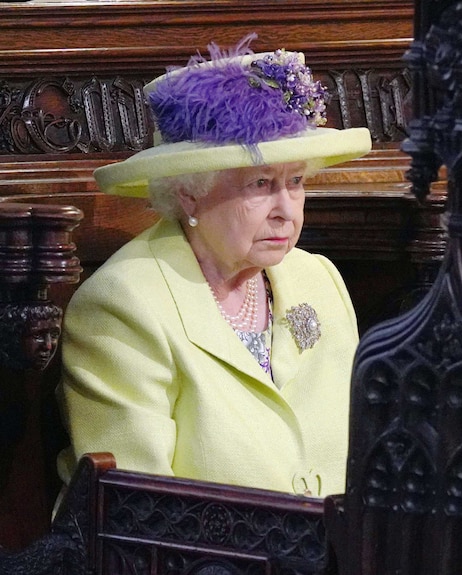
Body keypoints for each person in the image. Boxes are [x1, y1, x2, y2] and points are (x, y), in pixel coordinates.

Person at [55, 33, 372, 497]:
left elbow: (368, 445)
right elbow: (135, 509)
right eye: (261, 183)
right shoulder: (122, 305)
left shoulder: (317, 279)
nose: (288, 209)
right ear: (189, 193)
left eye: (297, 181)